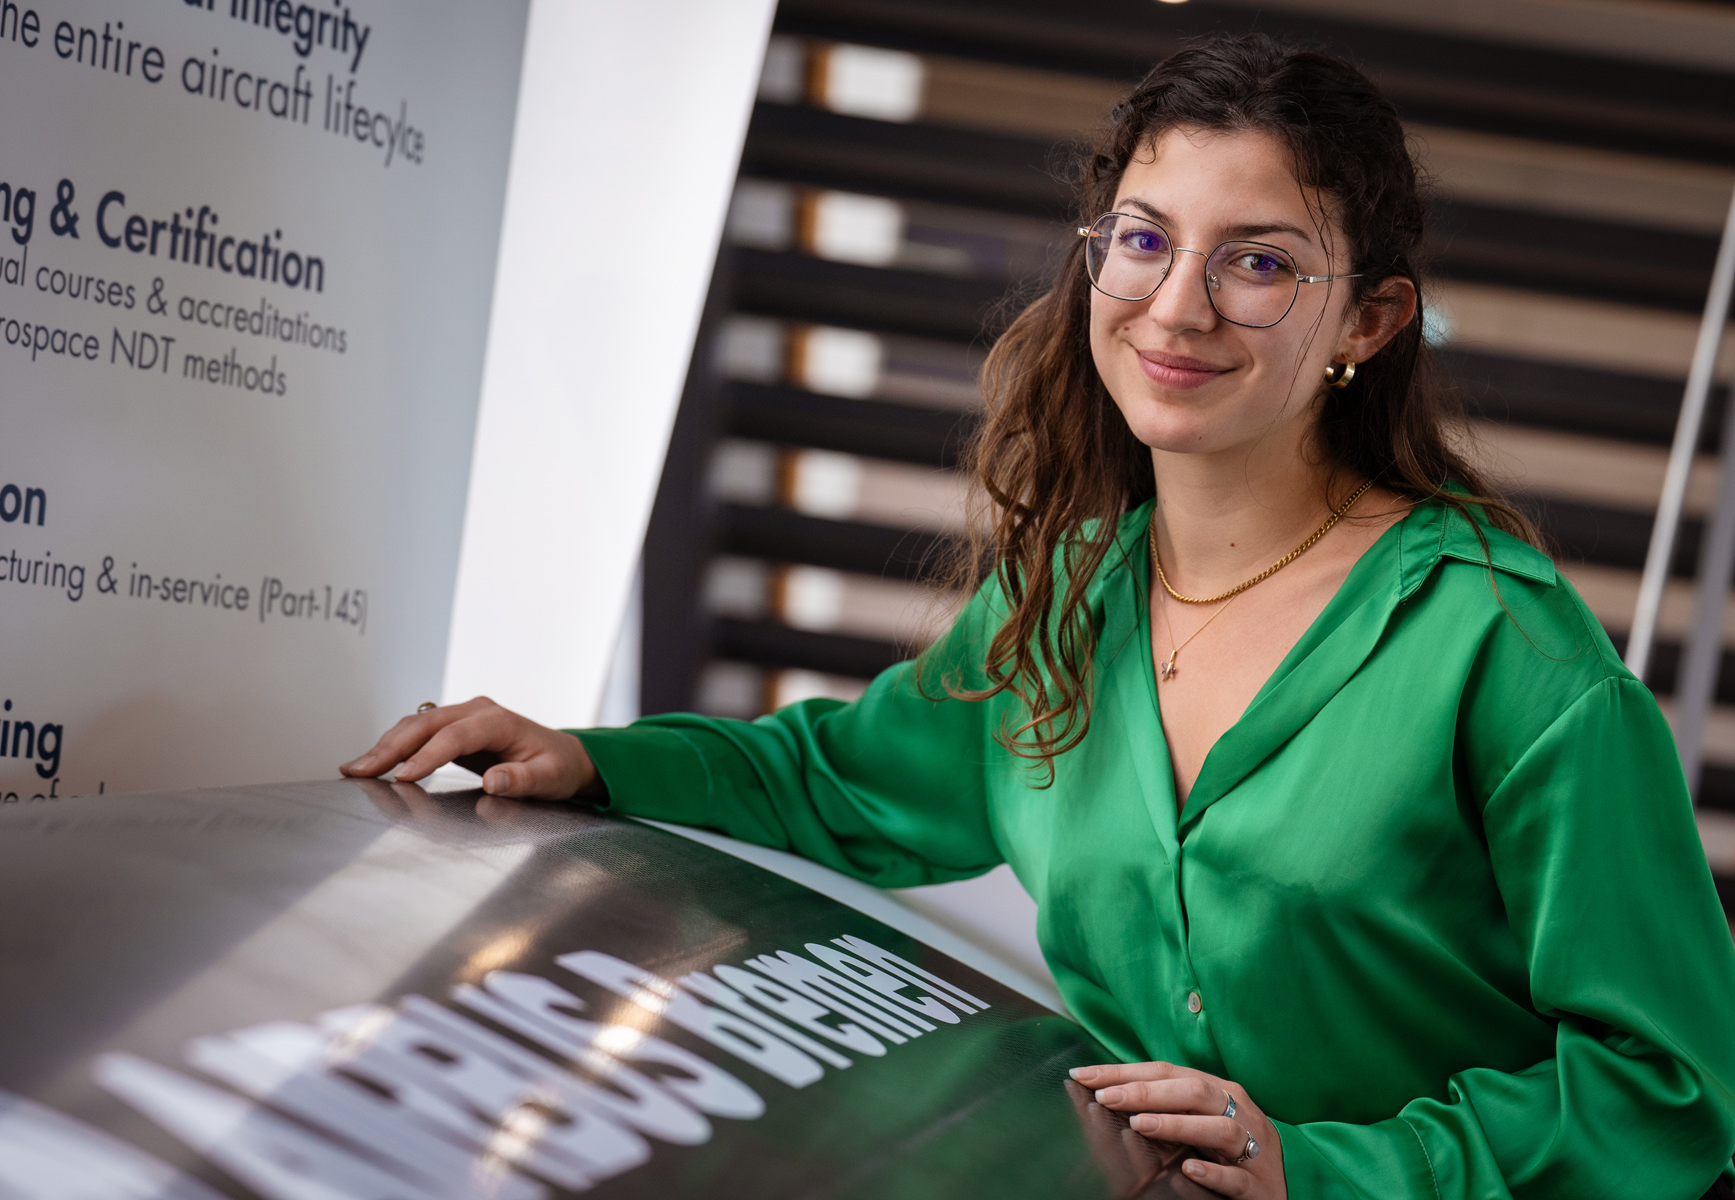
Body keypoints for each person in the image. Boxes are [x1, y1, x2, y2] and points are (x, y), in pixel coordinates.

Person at [343, 33, 1735, 1199]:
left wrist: (1327, 1172)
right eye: (1143, 241)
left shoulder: (1507, 652)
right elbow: (842, 781)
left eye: (1256, 263)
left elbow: (1671, 1092)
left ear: (1366, 323)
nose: (1176, 308)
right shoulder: (1065, 597)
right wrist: (595, 759)